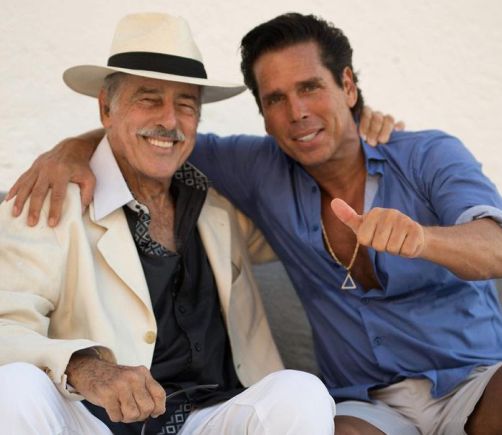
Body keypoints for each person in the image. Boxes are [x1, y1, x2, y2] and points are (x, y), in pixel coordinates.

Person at [14, 11, 502, 435]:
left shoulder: (422, 156)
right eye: (275, 99)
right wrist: (68, 150)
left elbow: (495, 247)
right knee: (14, 389)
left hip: (469, 380)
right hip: (363, 405)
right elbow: (151, 141)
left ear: (348, 86)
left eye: (311, 88)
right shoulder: (255, 172)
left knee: (300, 395)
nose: (298, 112)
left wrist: (422, 239)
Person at [0, 12, 340, 435]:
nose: (170, 120)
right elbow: (5, 326)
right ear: (106, 108)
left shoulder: (218, 205)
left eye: (186, 104)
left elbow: (311, 223)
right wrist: (83, 367)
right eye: (148, 98)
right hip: (96, 425)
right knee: (14, 388)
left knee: (300, 393)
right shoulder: (47, 199)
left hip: (208, 419)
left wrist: (362, 133)